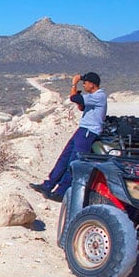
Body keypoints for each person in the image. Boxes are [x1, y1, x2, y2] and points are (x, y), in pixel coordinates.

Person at [31, 71, 107, 202]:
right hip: (83, 130)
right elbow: (82, 107)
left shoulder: (99, 95)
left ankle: (62, 191)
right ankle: (48, 185)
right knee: (65, 157)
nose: (83, 85)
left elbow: (74, 98)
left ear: (92, 84)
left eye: (85, 83)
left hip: (89, 132)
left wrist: (74, 84)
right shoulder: (94, 96)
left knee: (74, 161)